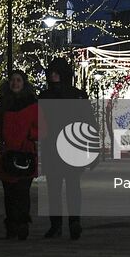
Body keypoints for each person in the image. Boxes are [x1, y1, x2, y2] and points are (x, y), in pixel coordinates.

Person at [38, 56, 92, 240]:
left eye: (56, 72)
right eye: (51, 72)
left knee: (64, 188)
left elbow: (88, 123)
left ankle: (66, 224)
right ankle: (64, 223)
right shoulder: (75, 95)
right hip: (63, 148)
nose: (53, 75)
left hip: (63, 148)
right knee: (63, 188)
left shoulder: (49, 97)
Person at [0, 70, 40, 239]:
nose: (15, 83)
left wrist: (30, 134)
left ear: (24, 84)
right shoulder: (1, 105)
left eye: (19, 80)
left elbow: (42, 128)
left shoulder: (32, 105)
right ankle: (12, 225)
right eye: (13, 80)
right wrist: (0, 132)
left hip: (25, 156)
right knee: (9, 194)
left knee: (22, 192)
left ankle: (21, 225)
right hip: (7, 156)